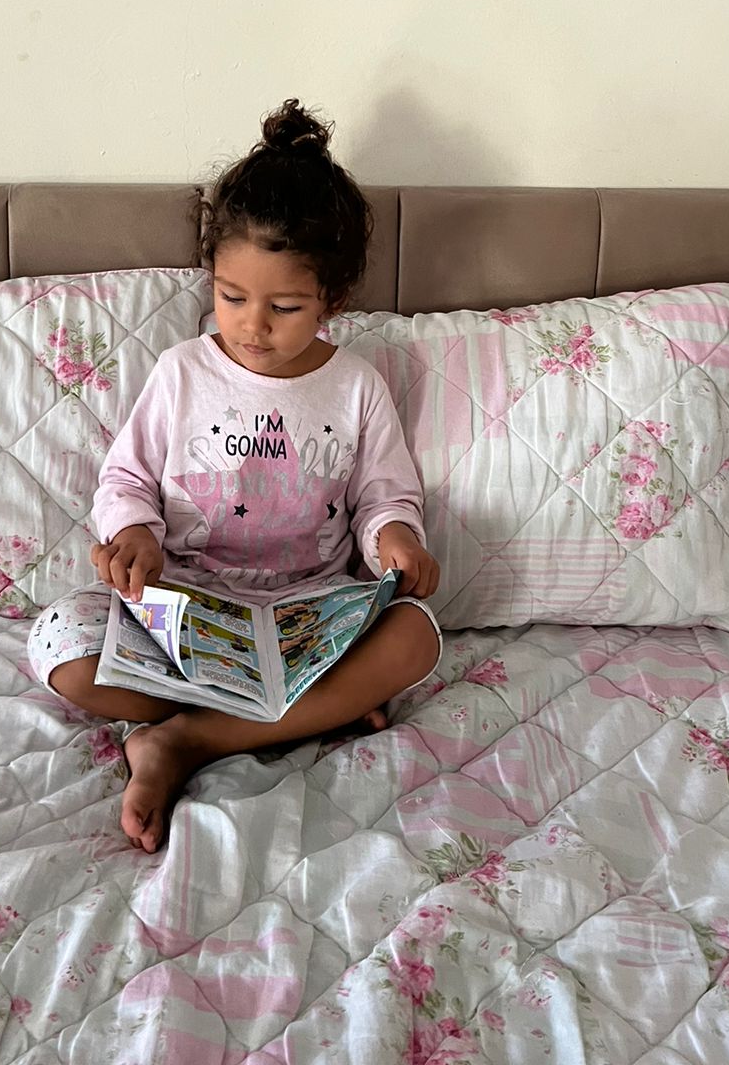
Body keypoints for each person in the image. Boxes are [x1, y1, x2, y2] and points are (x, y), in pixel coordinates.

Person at [27, 99, 442, 852]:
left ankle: (185, 740)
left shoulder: (355, 386)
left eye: (285, 306)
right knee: (61, 648)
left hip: (309, 616)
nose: (253, 325)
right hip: (188, 610)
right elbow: (126, 480)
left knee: (414, 637)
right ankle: (308, 715)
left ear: (333, 299)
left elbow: (384, 496)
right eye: (232, 297)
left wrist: (396, 541)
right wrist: (134, 536)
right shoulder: (181, 372)